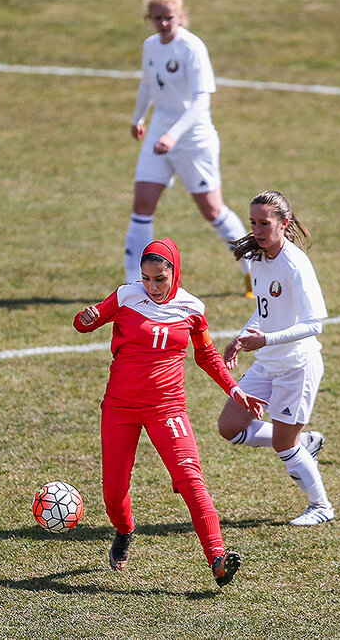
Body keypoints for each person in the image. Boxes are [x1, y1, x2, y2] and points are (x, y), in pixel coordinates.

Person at [74, 238, 267, 586]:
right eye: (146, 279)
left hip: (168, 408)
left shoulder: (192, 308)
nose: (152, 287)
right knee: (113, 494)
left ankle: (218, 558)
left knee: (190, 478)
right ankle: (125, 529)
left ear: (175, 273)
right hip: (120, 407)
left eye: (160, 279)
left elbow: (206, 355)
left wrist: (235, 389)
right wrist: (85, 318)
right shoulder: (126, 296)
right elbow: (85, 323)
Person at [124, 0, 252, 295]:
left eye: (169, 17)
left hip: (193, 139)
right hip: (159, 136)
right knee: (141, 205)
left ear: (180, 16)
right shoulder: (150, 46)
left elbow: (201, 102)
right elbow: (147, 85)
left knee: (212, 210)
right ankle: (132, 284)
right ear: (149, 19)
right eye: (158, 18)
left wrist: (173, 135)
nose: (164, 23)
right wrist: (138, 118)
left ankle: (251, 270)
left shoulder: (192, 48)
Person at [217, 191, 333, 526]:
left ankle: (321, 506)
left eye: (264, 223)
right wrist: (242, 338)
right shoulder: (258, 258)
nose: (256, 229)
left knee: (284, 445)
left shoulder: (295, 264)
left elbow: (315, 324)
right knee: (230, 427)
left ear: (284, 223)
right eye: (253, 222)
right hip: (269, 362)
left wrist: (264, 339)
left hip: (297, 367)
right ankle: (303, 442)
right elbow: (264, 310)